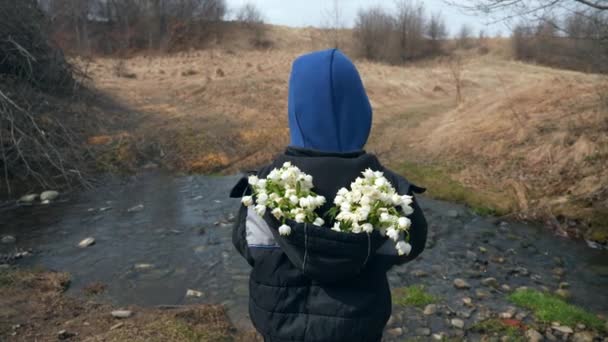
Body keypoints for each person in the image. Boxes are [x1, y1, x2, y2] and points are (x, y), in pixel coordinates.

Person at [230, 49, 427, 342]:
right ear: (362, 112)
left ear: (296, 112)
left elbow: (246, 246)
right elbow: (410, 246)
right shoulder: (389, 191)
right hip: (357, 330)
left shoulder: (264, 186)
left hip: (280, 330)